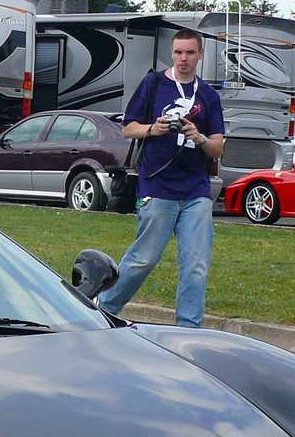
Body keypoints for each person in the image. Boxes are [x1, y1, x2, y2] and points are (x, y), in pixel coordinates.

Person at [96, 28, 225, 327]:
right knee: (143, 260)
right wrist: (154, 129)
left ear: (200, 54)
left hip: (195, 189)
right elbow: (128, 128)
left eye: (190, 53)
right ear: (172, 52)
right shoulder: (153, 83)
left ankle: (188, 329)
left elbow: (218, 148)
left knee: (196, 266)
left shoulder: (207, 94)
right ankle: (104, 310)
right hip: (158, 185)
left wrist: (200, 137)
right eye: (179, 52)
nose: (183, 59)